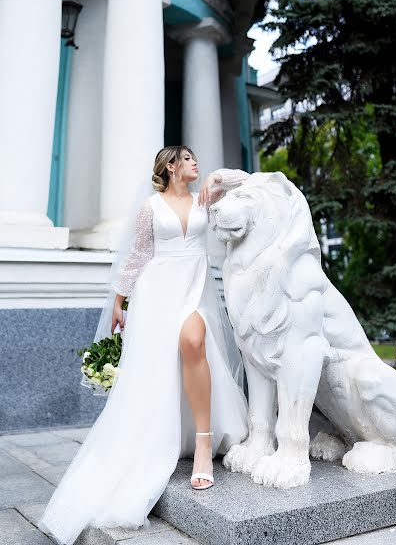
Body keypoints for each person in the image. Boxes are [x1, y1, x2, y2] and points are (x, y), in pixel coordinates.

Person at [38, 146, 250, 545]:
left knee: (194, 340)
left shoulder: (207, 195)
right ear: (170, 166)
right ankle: (176, 435)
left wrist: (216, 178)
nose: (194, 163)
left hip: (197, 291)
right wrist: (119, 301)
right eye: (187, 159)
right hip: (157, 293)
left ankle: (203, 444)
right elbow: (136, 257)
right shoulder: (150, 208)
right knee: (162, 367)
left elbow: (248, 181)